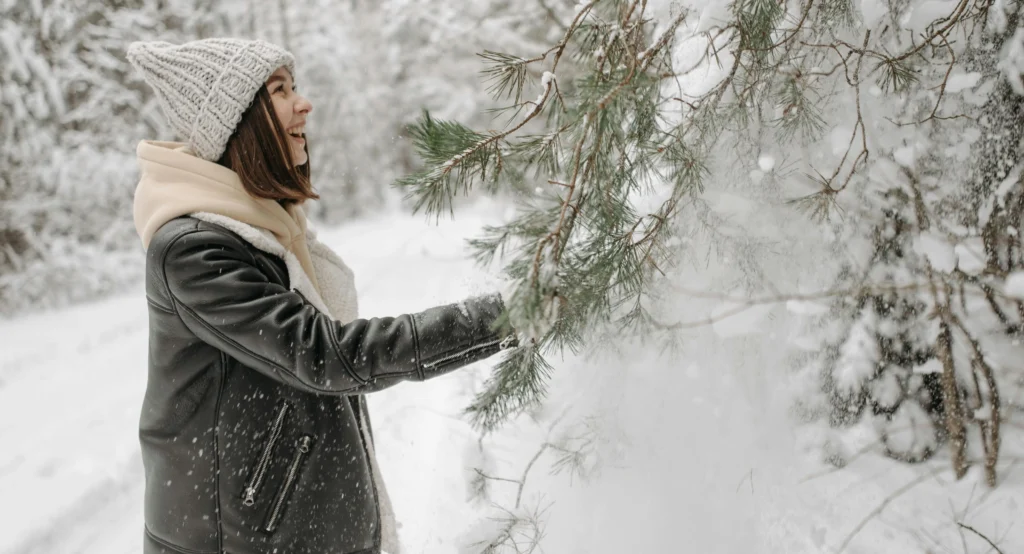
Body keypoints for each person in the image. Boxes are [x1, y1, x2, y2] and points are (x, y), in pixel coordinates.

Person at [126, 38, 518, 554]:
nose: (304, 102)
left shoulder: (263, 227)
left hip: (284, 527)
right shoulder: (195, 252)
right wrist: (504, 316)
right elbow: (325, 354)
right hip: (233, 540)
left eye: (297, 86)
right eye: (280, 90)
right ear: (237, 121)